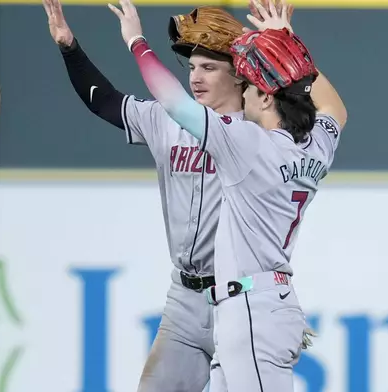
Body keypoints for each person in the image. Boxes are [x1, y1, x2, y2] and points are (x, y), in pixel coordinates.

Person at [107, 0, 347, 390]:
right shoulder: (314, 145)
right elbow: (335, 108)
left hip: (250, 309)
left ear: (267, 98)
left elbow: (173, 102)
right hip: (267, 302)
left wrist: (137, 41)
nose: (245, 94)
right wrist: (287, 41)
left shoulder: (248, 143)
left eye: (250, 87)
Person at [42, 1, 252, 390]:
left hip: (241, 301)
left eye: (209, 67)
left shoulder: (255, 135)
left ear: (240, 76)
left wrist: (137, 41)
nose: (196, 77)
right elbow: (104, 101)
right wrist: (69, 47)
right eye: (191, 67)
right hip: (185, 298)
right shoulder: (165, 121)